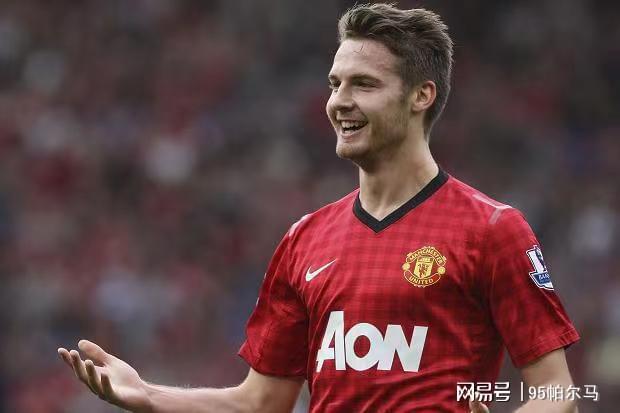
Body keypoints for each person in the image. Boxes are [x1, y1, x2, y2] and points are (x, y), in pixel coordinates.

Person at [58, 3, 580, 412]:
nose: (338, 102)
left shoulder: (490, 229)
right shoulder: (305, 239)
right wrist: (149, 396)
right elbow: (259, 402)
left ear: (421, 96)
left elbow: (557, 393)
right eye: (335, 84)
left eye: (364, 84)